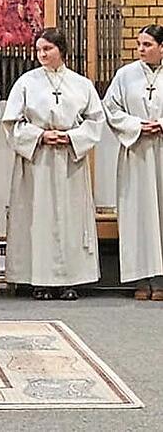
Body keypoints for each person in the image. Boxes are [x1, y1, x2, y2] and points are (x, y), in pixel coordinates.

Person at [2, 28, 103, 300]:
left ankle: (69, 280)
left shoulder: (81, 84)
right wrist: (40, 135)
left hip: (69, 160)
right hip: (38, 161)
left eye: (48, 49)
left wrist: (71, 137)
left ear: (62, 50)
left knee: (69, 219)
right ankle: (39, 280)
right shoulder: (26, 82)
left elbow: (95, 122)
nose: (42, 54)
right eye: (39, 50)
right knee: (38, 218)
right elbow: (11, 123)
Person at [104, 24, 163, 301]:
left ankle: (161, 280)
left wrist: (161, 124)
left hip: (161, 149)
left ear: (161, 47)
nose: (141, 49)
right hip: (136, 151)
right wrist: (137, 125)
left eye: (148, 44)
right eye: (139, 44)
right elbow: (111, 108)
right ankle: (141, 279)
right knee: (137, 214)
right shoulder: (125, 75)